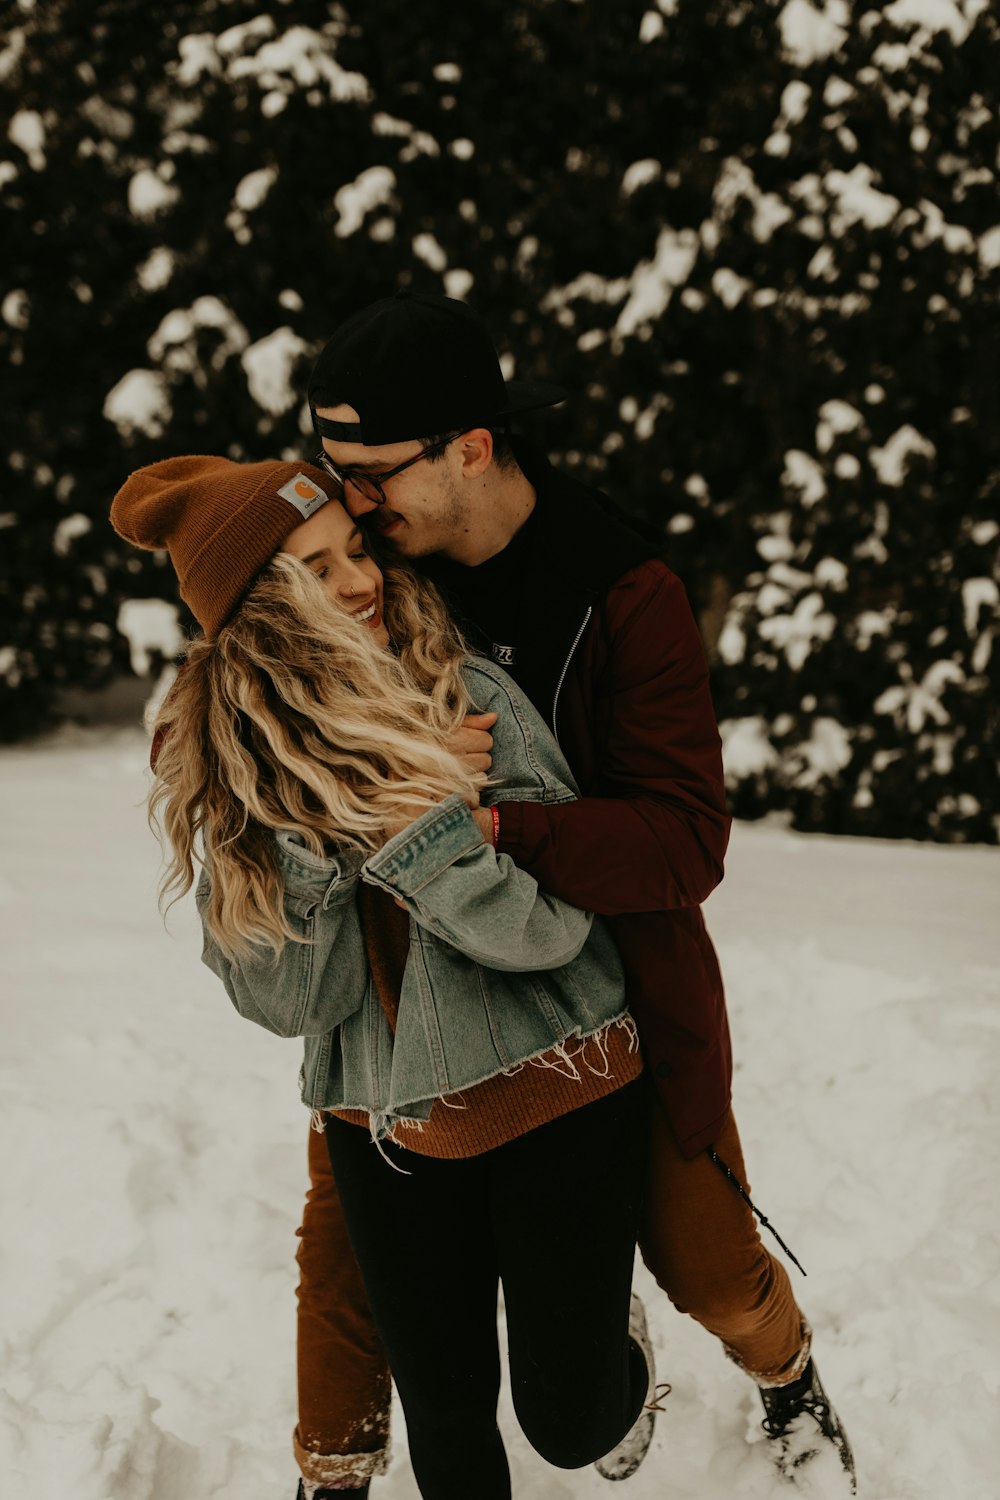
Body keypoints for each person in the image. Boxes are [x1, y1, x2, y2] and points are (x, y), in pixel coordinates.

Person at [290, 290, 857, 1497]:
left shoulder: (623, 589)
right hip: (407, 1002)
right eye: (328, 468)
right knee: (345, 1276)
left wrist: (485, 825)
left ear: (471, 451)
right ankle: (328, 1475)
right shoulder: (363, 576)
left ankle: (787, 1374)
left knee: (708, 1264)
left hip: (605, 1000)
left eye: (369, 472)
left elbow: (683, 841)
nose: (347, 502)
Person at [110, 455, 664, 1500]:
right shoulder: (235, 780)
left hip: (562, 1083)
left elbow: (555, 934)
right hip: (387, 1128)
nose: (363, 580)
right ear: (264, 611)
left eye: (356, 549)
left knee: (572, 1421)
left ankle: (609, 1346)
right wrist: (343, 823)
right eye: (319, 570)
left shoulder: (473, 698)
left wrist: (423, 824)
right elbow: (291, 1004)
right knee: (447, 1433)